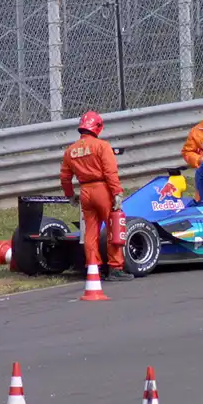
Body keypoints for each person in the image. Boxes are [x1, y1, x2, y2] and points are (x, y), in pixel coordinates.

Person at [60, 111, 134, 282]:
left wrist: (70, 195)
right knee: (114, 228)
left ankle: (93, 268)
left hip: (85, 191)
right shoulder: (102, 146)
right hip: (102, 189)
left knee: (90, 232)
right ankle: (115, 268)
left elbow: (64, 178)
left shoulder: (70, 150)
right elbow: (110, 172)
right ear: (98, 127)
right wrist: (117, 192)